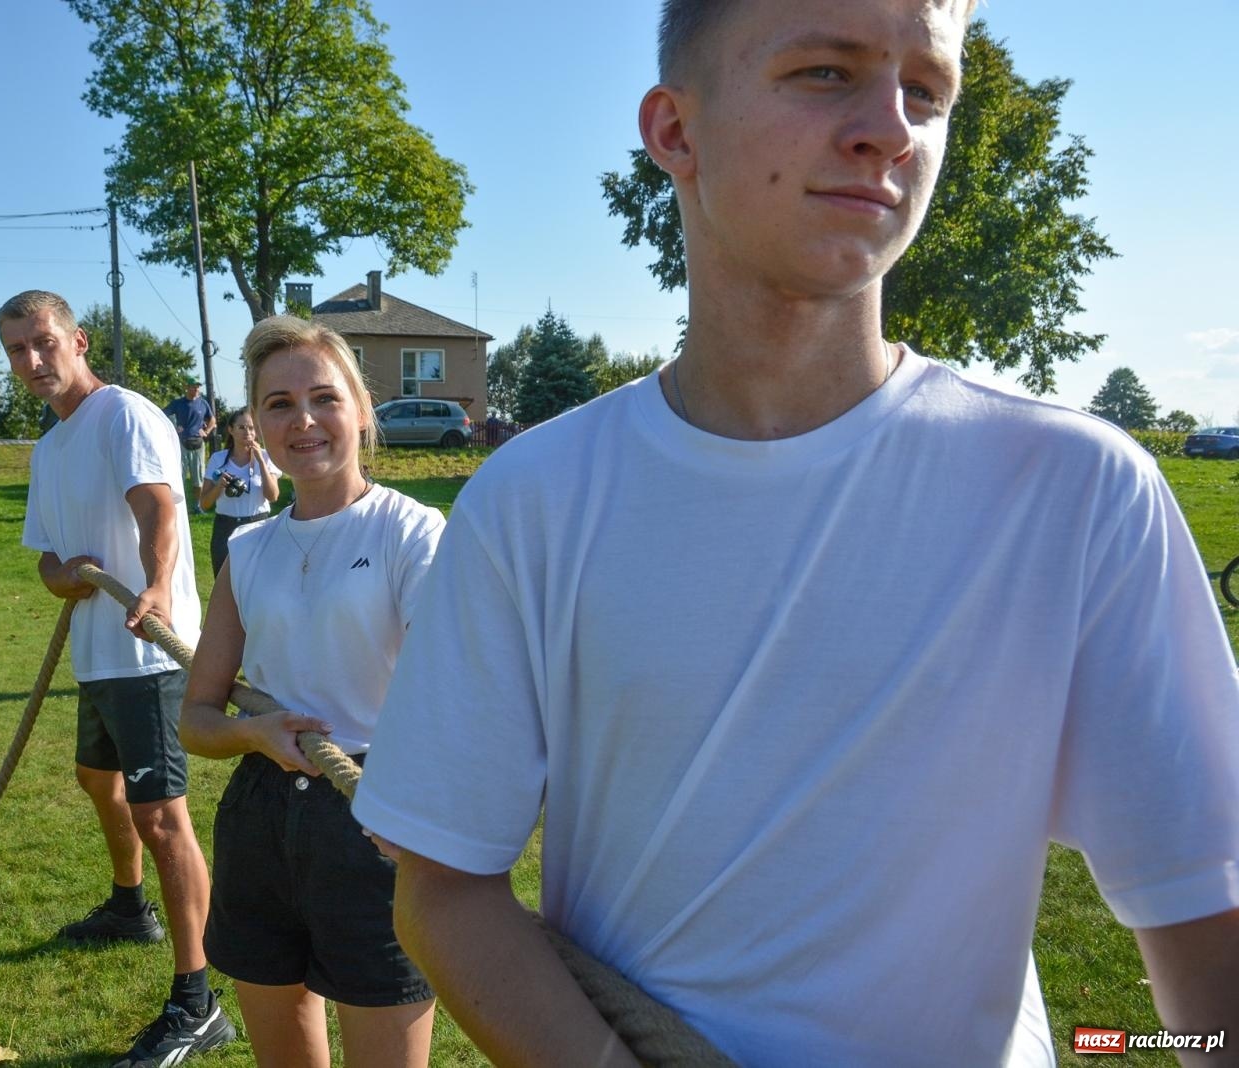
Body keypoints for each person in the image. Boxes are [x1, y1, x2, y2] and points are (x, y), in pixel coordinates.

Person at [351, 2, 1239, 1066]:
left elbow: (1204, 910)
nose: (891, 128)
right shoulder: (533, 498)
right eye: (826, 73)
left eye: (927, 91)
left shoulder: (1078, 490)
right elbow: (444, 890)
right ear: (675, 132)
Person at [181, 315, 444, 1068]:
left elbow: (455, 697)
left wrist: (417, 807)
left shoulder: (413, 533)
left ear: (361, 410)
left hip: (376, 815)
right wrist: (254, 736)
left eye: (324, 398)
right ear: (257, 425)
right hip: (260, 820)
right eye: (278, 404)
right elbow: (197, 719)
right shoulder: (249, 549)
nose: (304, 420)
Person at [0, 290, 234, 1067]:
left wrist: (159, 587)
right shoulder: (50, 447)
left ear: (78, 339)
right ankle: (131, 908)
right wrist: (60, 574)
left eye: (43, 343)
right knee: (95, 781)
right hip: (98, 654)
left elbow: (160, 510)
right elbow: (43, 557)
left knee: (163, 817)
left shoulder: (124, 415)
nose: (33, 362)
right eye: (16, 351)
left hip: (147, 654)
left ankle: (198, 1001)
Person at [198, 409, 281, 576]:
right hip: (226, 527)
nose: (248, 433)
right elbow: (204, 504)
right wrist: (219, 486)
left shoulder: (265, 457)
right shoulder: (218, 459)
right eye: (242, 427)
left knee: (258, 581)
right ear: (230, 429)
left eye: (251, 428)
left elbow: (273, 496)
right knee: (225, 582)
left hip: (258, 526)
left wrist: (261, 463)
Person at [164, 376, 216, 509]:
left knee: (198, 478)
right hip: (181, 444)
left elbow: (212, 420)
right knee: (179, 476)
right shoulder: (178, 403)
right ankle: (180, 506)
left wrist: (207, 431)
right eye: (193, 386)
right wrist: (173, 427)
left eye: (198, 386)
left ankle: (198, 506)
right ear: (187, 387)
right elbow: (162, 414)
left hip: (198, 444)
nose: (196, 389)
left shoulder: (203, 403)